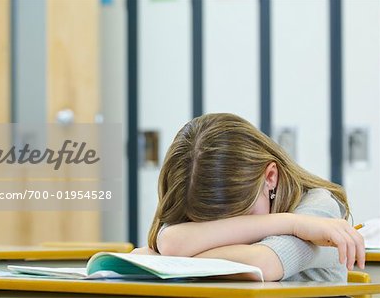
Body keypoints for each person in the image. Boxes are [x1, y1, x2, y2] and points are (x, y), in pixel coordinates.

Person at [132, 113, 365, 282]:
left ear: (270, 177)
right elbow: (172, 243)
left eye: (242, 216)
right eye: (210, 226)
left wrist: (169, 259)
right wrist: (291, 224)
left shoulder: (319, 208)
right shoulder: (304, 225)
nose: (231, 235)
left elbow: (263, 263)